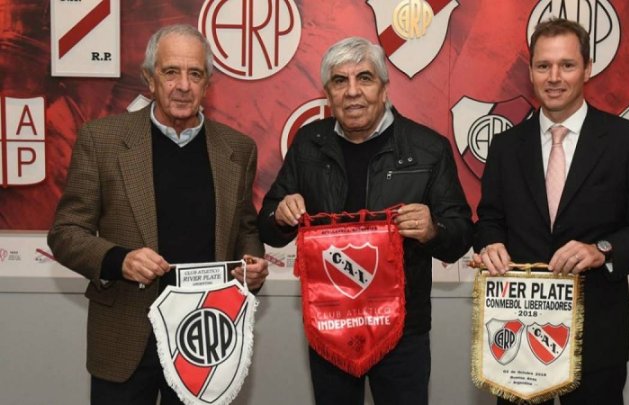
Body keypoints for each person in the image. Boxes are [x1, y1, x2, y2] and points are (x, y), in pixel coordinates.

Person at [47, 24, 268, 405]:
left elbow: (245, 227)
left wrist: (252, 265)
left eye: (194, 74)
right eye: (171, 72)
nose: (183, 85)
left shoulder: (237, 149)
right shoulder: (102, 141)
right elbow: (66, 233)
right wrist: (119, 260)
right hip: (127, 338)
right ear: (150, 79)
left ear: (207, 83)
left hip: (206, 340)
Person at [258, 37, 473, 405]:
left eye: (365, 78)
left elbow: (462, 234)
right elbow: (267, 227)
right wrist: (280, 215)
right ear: (328, 93)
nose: (353, 92)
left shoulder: (428, 147)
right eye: (340, 81)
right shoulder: (309, 143)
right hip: (331, 325)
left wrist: (433, 229)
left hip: (402, 330)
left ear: (385, 88)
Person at [473, 18, 629, 404]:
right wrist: (492, 242)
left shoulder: (628, 142)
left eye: (566, 65)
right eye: (543, 66)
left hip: (596, 341)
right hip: (517, 345)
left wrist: (602, 249)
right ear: (530, 72)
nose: (554, 77)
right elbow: (490, 220)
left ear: (588, 69)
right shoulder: (505, 146)